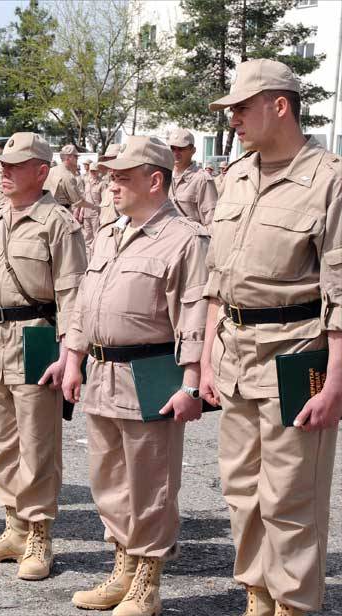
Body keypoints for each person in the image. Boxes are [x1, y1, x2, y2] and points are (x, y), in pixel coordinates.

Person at [199, 58, 341, 616]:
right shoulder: (235, 176)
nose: (232, 118)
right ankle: (258, 594)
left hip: (296, 353)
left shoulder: (329, 179)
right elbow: (217, 281)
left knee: (290, 494)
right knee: (241, 490)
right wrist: (207, 356)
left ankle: (295, 605)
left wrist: (334, 381)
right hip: (235, 353)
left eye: (241, 107)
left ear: (279, 105)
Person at [61, 136, 209, 616]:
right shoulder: (109, 232)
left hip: (151, 372)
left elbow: (194, 317)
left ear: (155, 180)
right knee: (108, 478)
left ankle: (148, 577)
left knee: (151, 481)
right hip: (103, 371)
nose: (113, 185)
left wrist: (191, 384)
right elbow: (86, 303)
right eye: (111, 177)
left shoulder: (186, 238)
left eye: (123, 177)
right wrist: (72, 357)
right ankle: (123, 565)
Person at [0, 132, 87, 580]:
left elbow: (73, 293)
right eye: (2, 165)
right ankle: (13, 526)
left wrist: (69, 353)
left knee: (37, 443)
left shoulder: (57, 222)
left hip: (36, 336)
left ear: (41, 171)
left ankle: (39, 533)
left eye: (15, 166)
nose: (4, 172)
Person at [167, 129, 218, 228]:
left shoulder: (202, 179)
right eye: (173, 148)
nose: (176, 153)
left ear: (193, 151)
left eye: (181, 148)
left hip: (190, 241)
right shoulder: (164, 176)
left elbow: (210, 221)